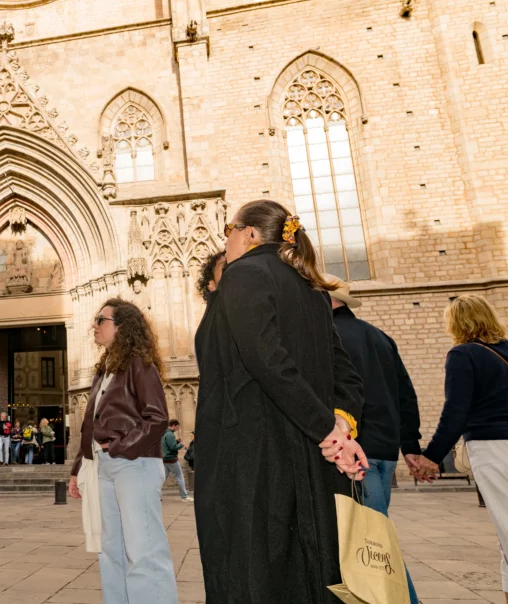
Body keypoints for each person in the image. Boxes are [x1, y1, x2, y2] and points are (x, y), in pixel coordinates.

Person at [194, 199, 368, 603]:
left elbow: (266, 360)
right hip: (309, 457)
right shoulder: (311, 288)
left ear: (250, 234)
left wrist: (328, 430)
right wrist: (339, 427)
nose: (227, 241)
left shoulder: (244, 274)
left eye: (229, 230)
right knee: (310, 570)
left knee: (253, 569)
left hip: (254, 456)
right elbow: (345, 373)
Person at [68, 299, 178, 604]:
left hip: (135, 464)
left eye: (100, 320)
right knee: (111, 550)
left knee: (143, 549)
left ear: (122, 327)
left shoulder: (139, 365)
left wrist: (120, 447)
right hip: (104, 466)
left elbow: (157, 418)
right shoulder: (104, 370)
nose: (94, 325)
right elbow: (90, 424)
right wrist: (79, 467)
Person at [327, 274, 422, 604]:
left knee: (373, 542)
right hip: (384, 451)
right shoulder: (381, 337)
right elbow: (406, 395)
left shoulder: (327, 336)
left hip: (354, 455)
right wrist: (410, 446)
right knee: (370, 532)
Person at [417, 295, 508, 602]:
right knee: (503, 534)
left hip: (493, 447)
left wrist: (430, 456)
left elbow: (456, 410)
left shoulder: (463, 354)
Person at [162, 420, 192, 502]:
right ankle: (184, 496)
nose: (178, 428)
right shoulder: (170, 434)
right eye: (177, 426)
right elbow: (172, 447)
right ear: (174, 425)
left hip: (165, 459)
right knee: (180, 477)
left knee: (162, 478)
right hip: (171, 459)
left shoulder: (164, 433)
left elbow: (168, 445)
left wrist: (176, 441)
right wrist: (181, 444)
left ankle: (156, 495)